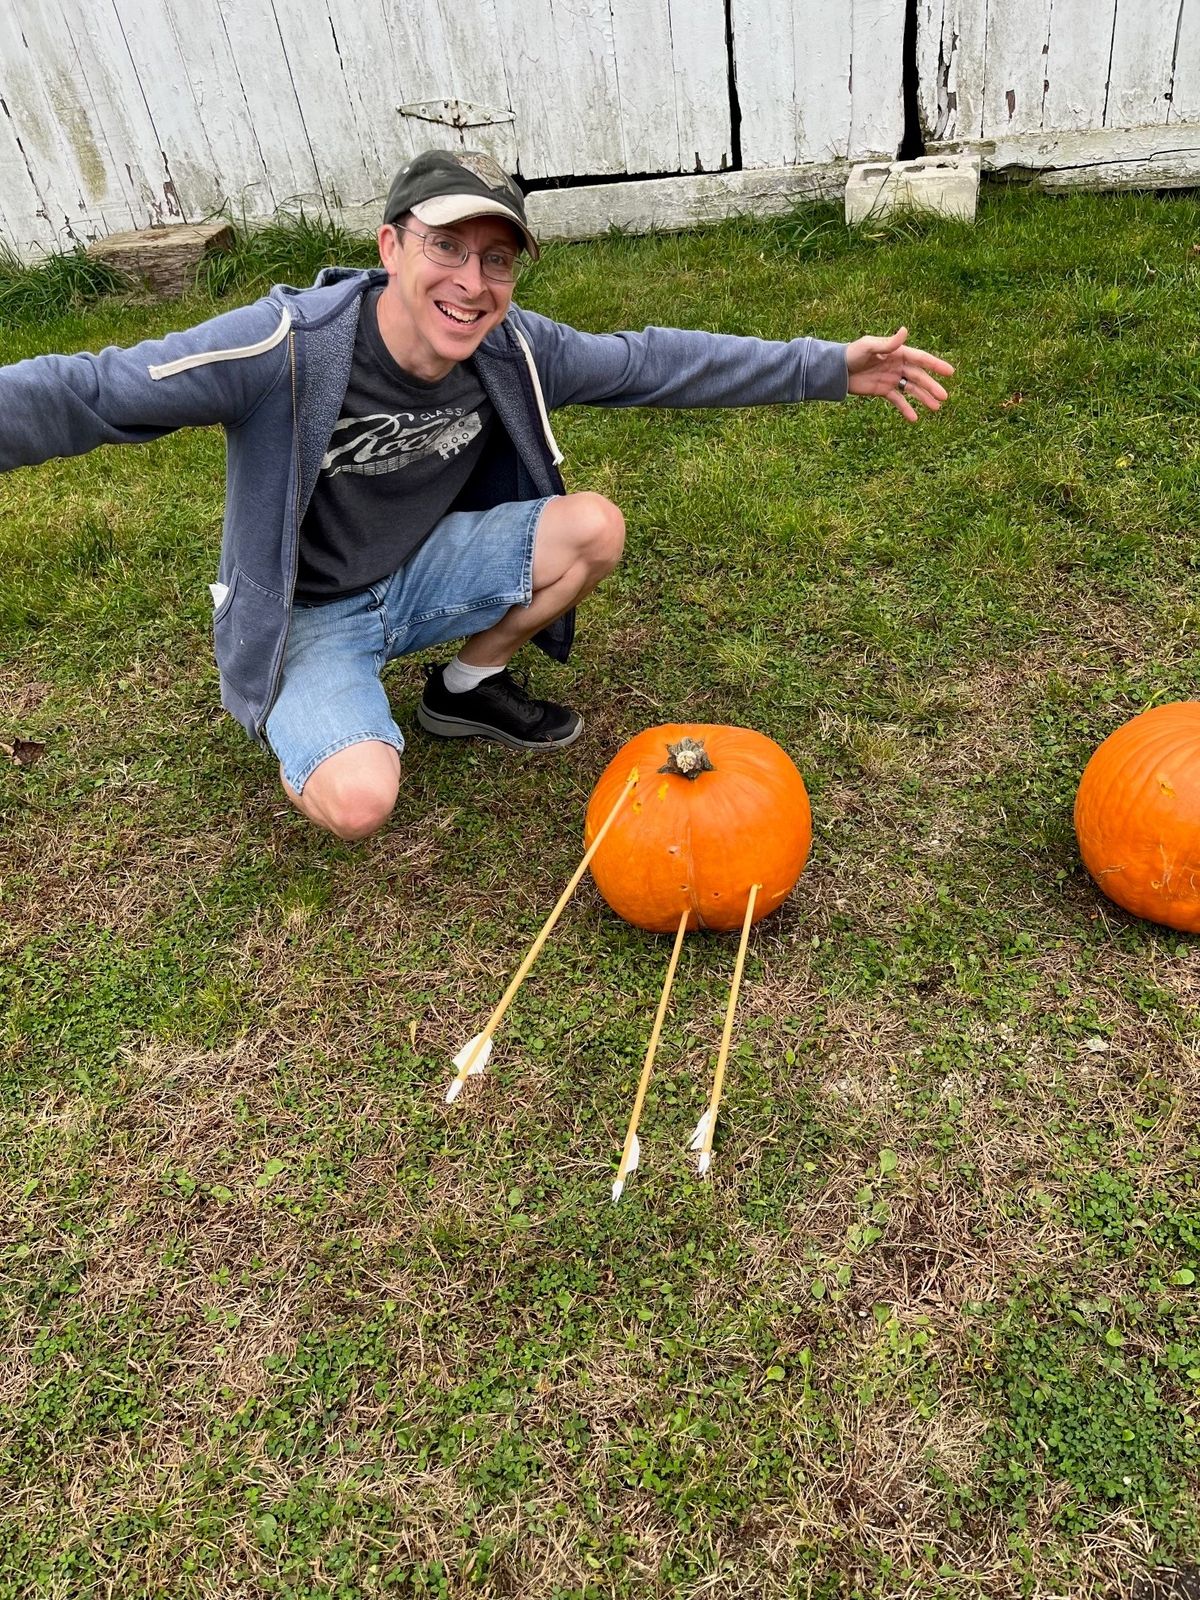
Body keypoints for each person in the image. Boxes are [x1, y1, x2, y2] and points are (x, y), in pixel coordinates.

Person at [0, 148, 953, 841]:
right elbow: (96, 390)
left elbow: (652, 362)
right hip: (311, 615)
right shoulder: (287, 347)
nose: (471, 281)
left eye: (496, 258)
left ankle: (467, 688)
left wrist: (826, 368)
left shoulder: (511, 344)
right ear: (390, 245)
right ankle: (316, 718)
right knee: (360, 799)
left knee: (592, 529)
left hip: (419, 577)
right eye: (447, 247)